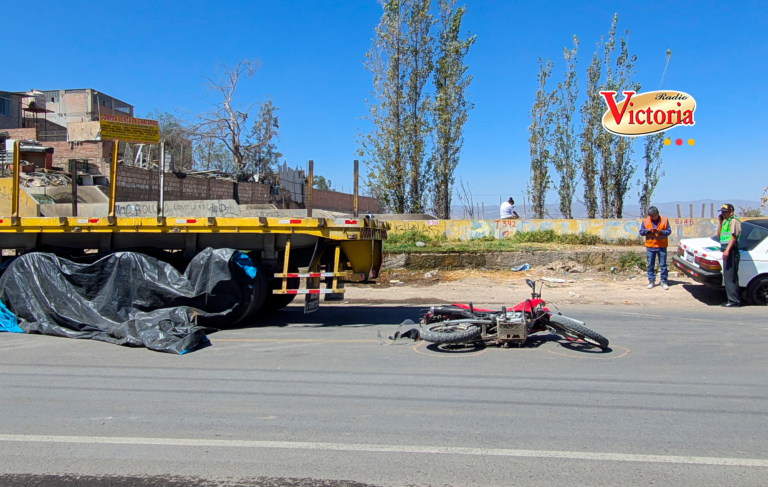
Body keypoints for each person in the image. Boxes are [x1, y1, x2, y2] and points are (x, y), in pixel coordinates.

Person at [638, 206, 672, 290]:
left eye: (654, 215)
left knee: (663, 264)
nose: (653, 217)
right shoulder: (646, 221)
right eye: (651, 216)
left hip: (662, 246)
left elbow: (669, 231)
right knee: (650, 265)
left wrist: (661, 232)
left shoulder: (665, 220)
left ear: (657, 214)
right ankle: (651, 281)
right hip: (650, 246)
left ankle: (663, 281)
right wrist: (647, 230)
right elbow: (641, 232)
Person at [718, 203, 742, 307]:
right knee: (728, 275)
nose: (723, 214)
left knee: (730, 276)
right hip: (726, 250)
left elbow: (734, 237)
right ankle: (733, 299)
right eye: (722, 212)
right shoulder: (725, 222)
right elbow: (719, 235)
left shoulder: (733, 220)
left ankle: (733, 300)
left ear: (731, 212)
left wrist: (727, 250)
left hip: (731, 250)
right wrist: (720, 222)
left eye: (725, 212)